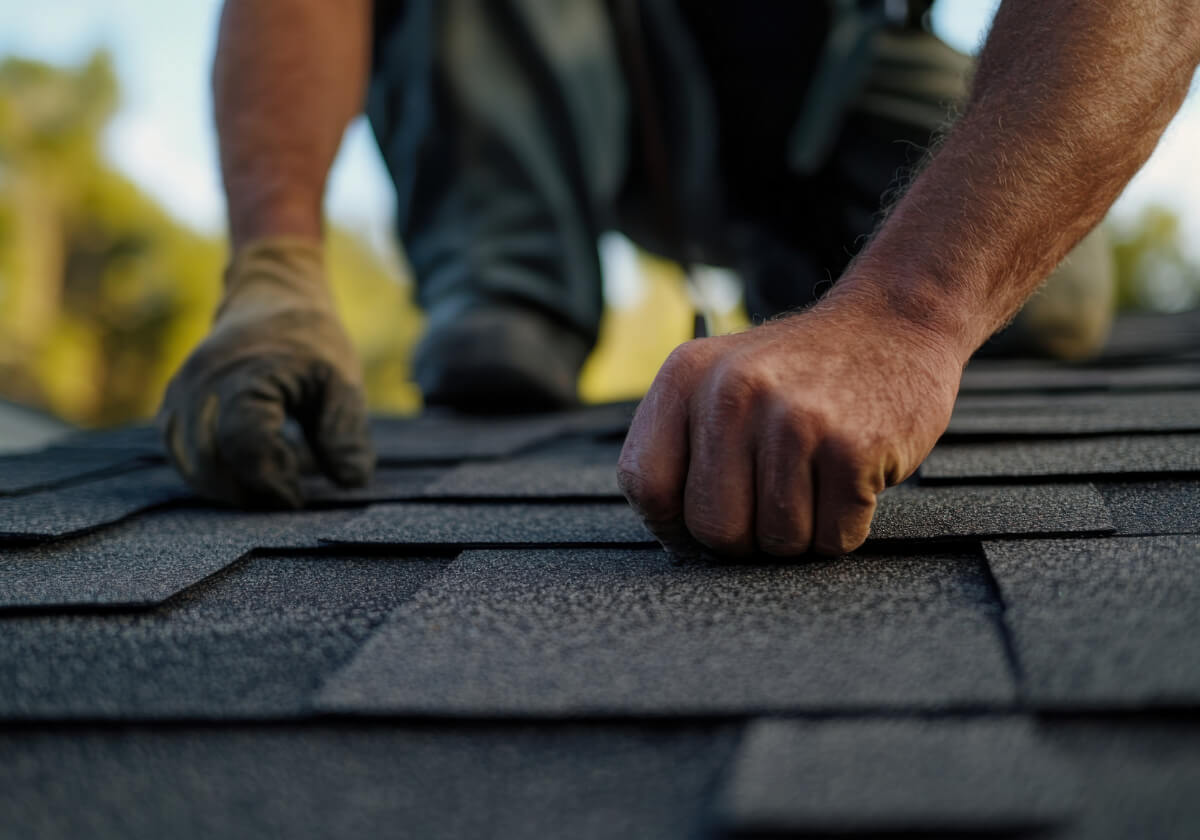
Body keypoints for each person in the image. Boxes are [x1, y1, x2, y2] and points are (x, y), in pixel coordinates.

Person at [159, 0, 1199, 557]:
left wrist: (907, 312)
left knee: (1048, 300)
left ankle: (821, 280)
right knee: (497, 342)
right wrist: (277, 265)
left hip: (819, 64)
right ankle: (510, 279)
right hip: (565, 42)